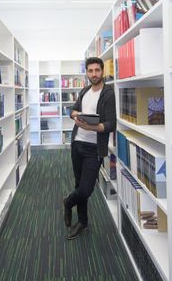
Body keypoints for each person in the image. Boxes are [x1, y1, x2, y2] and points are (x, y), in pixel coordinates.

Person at [63, 57, 116, 240]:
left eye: (97, 70)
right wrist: (76, 114)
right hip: (77, 143)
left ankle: (68, 202)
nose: (94, 74)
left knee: (86, 189)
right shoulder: (84, 91)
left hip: (94, 148)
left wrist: (91, 127)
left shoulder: (108, 94)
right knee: (79, 184)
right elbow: (73, 111)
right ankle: (83, 222)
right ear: (86, 72)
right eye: (90, 70)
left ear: (102, 72)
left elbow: (110, 125)